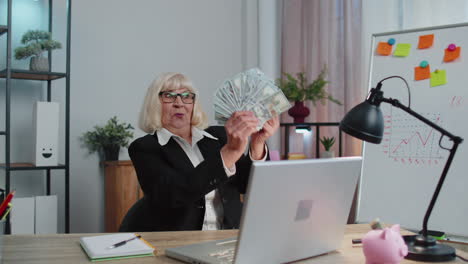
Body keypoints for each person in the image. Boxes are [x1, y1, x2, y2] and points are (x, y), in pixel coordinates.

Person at [119, 72, 279, 232]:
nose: (179, 103)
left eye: (187, 96)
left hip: (228, 237)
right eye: (169, 96)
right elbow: (171, 195)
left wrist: (258, 143)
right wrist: (228, 154)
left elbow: (248, 185)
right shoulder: (144, 147)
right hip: (178, 241)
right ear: (154, 103)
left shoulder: (220, 136)